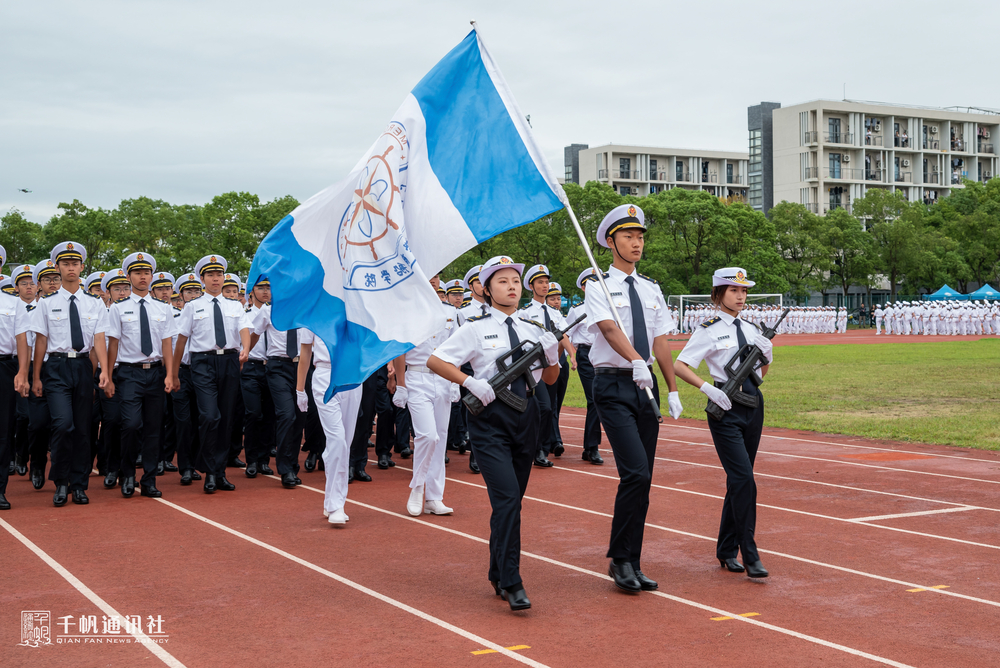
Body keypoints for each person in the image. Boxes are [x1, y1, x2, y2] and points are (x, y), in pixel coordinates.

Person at [428, 255, 560, 611]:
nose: (511, 287)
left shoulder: (534, 328)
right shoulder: (475, 328)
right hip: (490, 420)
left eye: (515, 281)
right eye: (502, 281)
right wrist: (470, 382)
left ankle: (498, 570)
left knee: (513, 501)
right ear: (486, 290)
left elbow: (549, 380)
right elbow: (436, 360)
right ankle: (513, 581)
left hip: (526, 416)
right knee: (507, 499)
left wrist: (553, 356)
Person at [586, 203, 682, 594]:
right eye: (628, 236)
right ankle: (619, 559)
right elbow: (609, 330)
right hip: (613, 385)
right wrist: (636, 361)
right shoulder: (597, 286)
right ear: (611, 242)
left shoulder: (651, 288)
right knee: (635, 473)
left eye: (640, 236)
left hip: (647, 386)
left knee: (645, 479)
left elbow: (661, 341)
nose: (636, 243)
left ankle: (633, 560)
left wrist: (672, 388)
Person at [673, 267, 773, 580]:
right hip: (725, 408)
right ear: (718, 294)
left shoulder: (752, 328)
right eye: (734, 290)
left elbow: (760, 375)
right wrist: (708, 388)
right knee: (744, 480)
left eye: (744, 291)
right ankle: (750, 552)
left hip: (752, 405)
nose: (741, 296)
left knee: (739, 479)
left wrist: (768, 357)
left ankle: (727, 549)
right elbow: (680, 365)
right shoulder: (708, 329)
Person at [17, 242, 111, 507]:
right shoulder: (46, 304)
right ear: (57, 268)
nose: (71, 268)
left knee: (82, 429)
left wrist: (104, 371)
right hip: (56, 368)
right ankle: (60, 481)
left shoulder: (94, 303)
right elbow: (41, 341)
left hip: (83, 367)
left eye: (75, 264)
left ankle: (78, 485)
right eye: (66, 264)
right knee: (62, 424)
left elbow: (99, 339)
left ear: (82, 267)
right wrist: (37, 377)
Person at [171, 255, 251, 494]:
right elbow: (181, 341)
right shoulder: (192, 306)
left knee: (226, 419)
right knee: (209, 415)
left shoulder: (235, 305)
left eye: (219, 275)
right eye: (210, 275)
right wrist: (174, 373)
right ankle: (208, 468)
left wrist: (246, 348)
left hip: (229, 361)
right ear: (202, 278)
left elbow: (244, 329)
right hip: (202, 362)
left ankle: (218, 473)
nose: (215, 279)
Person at [105, 252, 177, 499]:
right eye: (137, 273)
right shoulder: (118, 308)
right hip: (129, 373)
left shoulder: (163, 308)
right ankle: (127, 475)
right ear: (129, 277)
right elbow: (113, 344)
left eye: (146, 273)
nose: (143, 277)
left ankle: (149, 480)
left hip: (155, 372)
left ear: (152, 276)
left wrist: (170, 374)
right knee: (131, 424)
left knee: (153, 429)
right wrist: (108, 375)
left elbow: (167, 344)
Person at [392, 276, 459, 517]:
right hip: (417, 377)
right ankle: (417, 486)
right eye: (428, 275)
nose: (432, 280)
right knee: (427, 436)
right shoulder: (406, 310)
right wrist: (401, 384)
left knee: (440, 439)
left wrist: (455, 381)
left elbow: (456, 349)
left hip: (443, 378)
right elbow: (399, 351)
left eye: (436, 277)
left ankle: (434, 498)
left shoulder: (450, 312)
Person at [296, 330, 362, 525]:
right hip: (325, 375)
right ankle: (335, 505)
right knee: (337, 440)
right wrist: (300, 389)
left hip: (352, 377)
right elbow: (305, 352)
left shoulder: (357, 314)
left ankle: (333, 500)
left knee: (345, 442)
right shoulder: (312, 315)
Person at [250, 275, 305, 488]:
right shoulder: (268, 311)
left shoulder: (306, 311)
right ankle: (285, 469)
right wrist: (245, 353)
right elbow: (255, 334)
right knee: (286, 414)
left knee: (299, 417)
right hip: (277, 367)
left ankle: (292, 464)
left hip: (301, 368)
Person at [518, 263, 575, 467]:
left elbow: (563, 335)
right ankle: (535, 449)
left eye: (546, 282)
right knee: (542, 407)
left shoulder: (554, 312)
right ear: (531, 286)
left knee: (549, 408)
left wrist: (572, 354)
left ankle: (541, 448)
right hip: (534, 367)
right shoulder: (524, 313)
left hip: (551, 365)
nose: (545, 286)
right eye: (540, 282)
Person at [566, 268, 603, 464]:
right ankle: (592, 447)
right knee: (594, 400)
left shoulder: (608, 306)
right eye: (590, 283)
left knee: (603, 399)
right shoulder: (577, 309)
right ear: (583, 287)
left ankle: (590, 447)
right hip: (586, 355)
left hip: (606, 356)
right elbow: (566, 334)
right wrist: (572, 356)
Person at [171, 273, 203, 485]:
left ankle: (196, 462)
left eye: (196, 291)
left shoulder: (204, 315)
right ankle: (186, 467)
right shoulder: (172, 318)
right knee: (183, 421)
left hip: (202, 372)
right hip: (180, 372)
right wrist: (171, 374)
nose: (193, 295)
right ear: (180, 295)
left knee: (201, 419)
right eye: (188, 291)